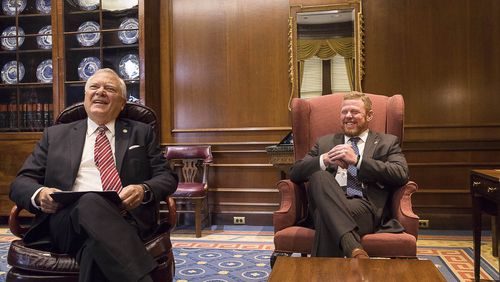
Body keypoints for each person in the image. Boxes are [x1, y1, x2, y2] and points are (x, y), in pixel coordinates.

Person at [9, 68, 178, 282]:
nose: (100, 92)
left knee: (93, 249)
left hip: (124, 218)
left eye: (109, 88)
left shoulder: (141, 132)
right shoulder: (55, 135)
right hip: (64, 220)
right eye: (94, 87)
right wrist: (40, 193)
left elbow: (167, 176)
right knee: (90, 200)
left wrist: (143, 189)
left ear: (123, 102)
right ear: (85, 97)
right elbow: (20, 183)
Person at [289, 92, 409, 258]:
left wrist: (358, 161)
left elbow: (401, 173)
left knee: (325, 217)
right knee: (320, 177)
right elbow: (295, 173)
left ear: (369, 115)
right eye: (344, 112)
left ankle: (340, 258)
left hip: (364, 205)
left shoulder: (387, 142)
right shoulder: (325, 143)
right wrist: (325, 159)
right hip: (328, 198)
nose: (348, 116)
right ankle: (353, 249)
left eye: (355, 112)